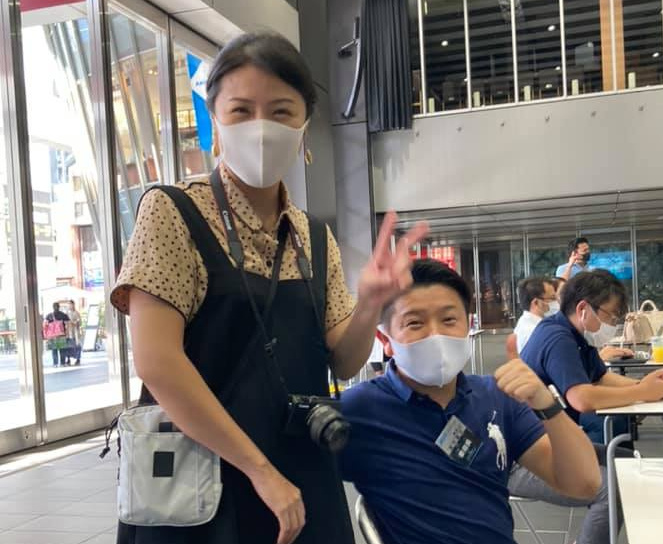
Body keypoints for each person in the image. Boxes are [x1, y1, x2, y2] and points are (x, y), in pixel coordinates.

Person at [109, 32, 427, 544]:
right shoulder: (172, 212)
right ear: (215, 123)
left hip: (299, 473)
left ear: (303, 129)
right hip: (200, 483)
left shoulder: (313, 236)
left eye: (281, 112)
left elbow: (344, 361)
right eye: (241, 110)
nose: (261, 128)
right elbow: (158, 363)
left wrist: (370, 304)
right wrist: (259, 470)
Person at [340, 259, 601, 544]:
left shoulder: (497, 397)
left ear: (468, 326)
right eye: (414, 323)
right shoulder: (359, 410)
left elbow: (584, 484)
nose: (436, 335)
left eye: (449, 320)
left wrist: (546, 404)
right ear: (386, 340)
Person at [521, 270, 663, 444]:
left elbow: (601, 377)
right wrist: (642, 392)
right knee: (611, 425)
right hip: (535, 439)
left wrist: (644, 385)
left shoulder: (581, 334)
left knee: (618, 420)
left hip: (557, 424)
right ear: (583, 309)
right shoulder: (557, 338)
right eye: (611, 316)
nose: (612, 325)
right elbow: (581, 398)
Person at [514, 277, 559, 354]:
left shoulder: (525, 322)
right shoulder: (535, 331)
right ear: (536, 302)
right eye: (552, 298)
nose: (557, 302)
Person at [44, 302, 70, 367]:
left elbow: (45, 325)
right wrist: (67, 333)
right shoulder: (63, 315)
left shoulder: (49, 315)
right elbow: (67, 325)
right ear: (59, 307)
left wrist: (46, 335)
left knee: (54, 350)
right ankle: (62, 363)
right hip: (61, 334)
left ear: (53, 307)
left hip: (52, 336)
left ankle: (55, 363)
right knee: (62, 350)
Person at [66, 299, 82, 365]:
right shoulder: (66, 313)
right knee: (69, 346)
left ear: (73, 305)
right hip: (68, 332)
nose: (70, 306)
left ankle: (78, 359)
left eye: (71, 304)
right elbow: (64, 321)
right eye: (69, 304)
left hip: (75, 331)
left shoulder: (76, 313)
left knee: (77, 346)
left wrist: (74, 322)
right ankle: (68, 359)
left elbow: (79, 322)